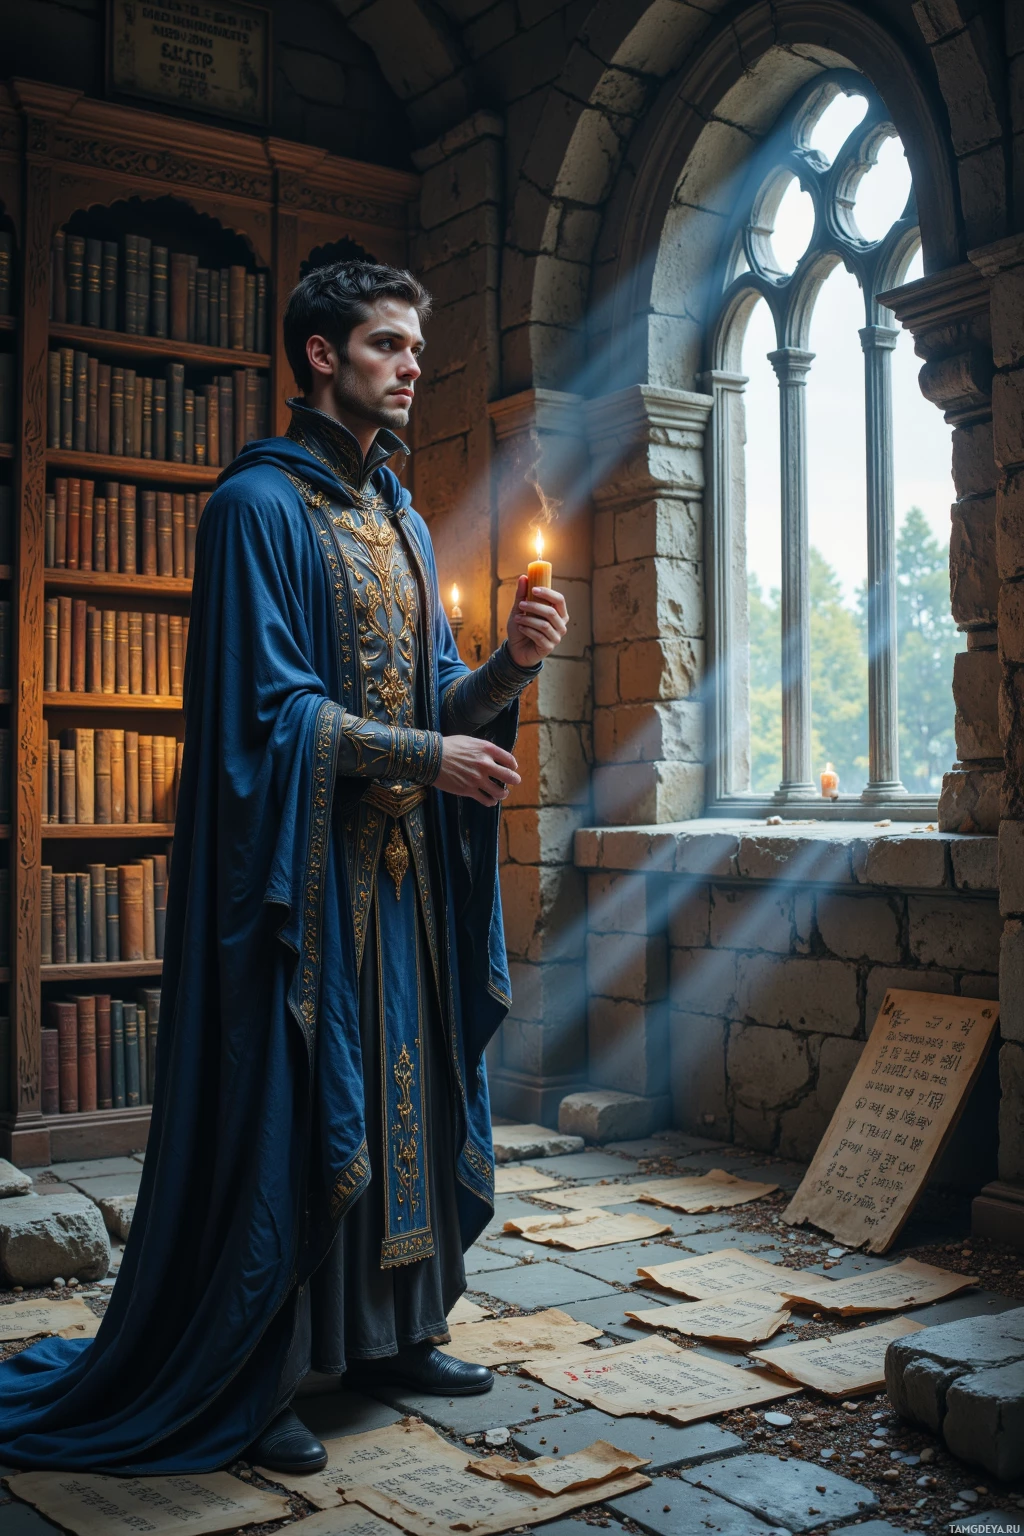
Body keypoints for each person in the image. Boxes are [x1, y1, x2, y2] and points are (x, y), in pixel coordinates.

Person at [0, 261, 568, 1473]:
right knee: (306, 1114)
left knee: (409, 1106)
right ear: (320, 356)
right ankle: (262, 1370)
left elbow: (433, 702)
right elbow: (272, 716)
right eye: (387, 344)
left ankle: (394, 1333)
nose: (412, 363)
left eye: (415, 345)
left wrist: (509, 670)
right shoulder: (257, 508)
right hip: (303, 888)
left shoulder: (405, 521)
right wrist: (431, 748)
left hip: (405, 880)